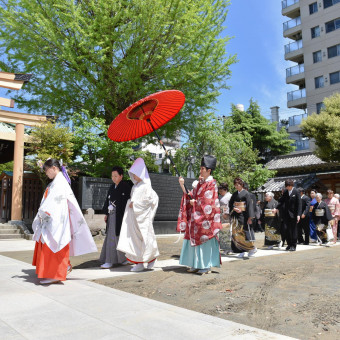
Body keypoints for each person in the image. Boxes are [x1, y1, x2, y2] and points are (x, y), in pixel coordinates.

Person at [32, 159, 97, 284]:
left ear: (54, 168)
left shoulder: (60, 182)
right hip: (53, 219)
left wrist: (44, 211)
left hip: (56, 220)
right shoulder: (57, 182)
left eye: (46, 170)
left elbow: (56, 203)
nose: (46, 173)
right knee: (53, 245)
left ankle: (55, 274)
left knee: (54, 245)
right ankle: (62, 268)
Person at [177, 155, 222, 275]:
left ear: (209, 170)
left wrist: (195, 203)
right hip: (197, 217)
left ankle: (206, 265)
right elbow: (190, 195)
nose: (200, 170)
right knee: (194, 241)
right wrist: (182, 184)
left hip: (207, 220)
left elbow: (209, 202)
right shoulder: (201, 183)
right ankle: (196, 264)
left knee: (204, 242)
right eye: (201, 168)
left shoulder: (211, 184)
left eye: (203, 168)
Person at [117, 158, 159, 272]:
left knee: (145, 237)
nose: (133, 176)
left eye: (135, 174)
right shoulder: (135, 187)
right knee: (135, 239)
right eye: (132, 174)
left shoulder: (146, 186)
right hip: (134, 217)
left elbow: (150, 201)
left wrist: (135, 204)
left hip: (143, 218)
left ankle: (151, 258)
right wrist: (131, 203)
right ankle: (139, 262)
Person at [99, 166, 132, 268]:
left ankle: (123, 259)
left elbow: (128, 201)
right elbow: (107, 201)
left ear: (121, 176)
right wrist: (106, 213)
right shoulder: (112, 187)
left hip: (122, 215)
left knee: (120, 237)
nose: (113, 178)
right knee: (112, 237)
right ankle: (109, 260)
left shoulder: (126, 187)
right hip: (112, 215)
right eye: (112, 176)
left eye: (116, 176)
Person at [229, 177, 256, 258]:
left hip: (243, 215)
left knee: (244, 233)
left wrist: (250, 217)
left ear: (241, 185)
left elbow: (249, 205)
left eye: (238, 185)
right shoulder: (234, 194)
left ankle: (251, 248)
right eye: (235, 185)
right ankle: (241, 250)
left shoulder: (246, 193)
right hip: (236, 216)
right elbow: (230, 204)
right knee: (237, 233)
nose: (237, 187)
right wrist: (234, 208)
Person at [276, 179, 301, 252]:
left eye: (288, 186)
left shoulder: (296, 192)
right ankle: (289, 244)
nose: (287, 188)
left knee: (293, 230)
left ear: (291, 186)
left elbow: (299, 204)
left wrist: (299, 214)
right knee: (286, 229)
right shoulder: (286, 192)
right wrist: (276, 208)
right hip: (286, 214)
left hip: (294, 214)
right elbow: (281, 201)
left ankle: (293, 245)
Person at [218, 183, 232, 254]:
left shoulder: (230, 196)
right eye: (219, 191)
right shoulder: (220, 196)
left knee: (227, 231)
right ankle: (224, 247)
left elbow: (231, 205)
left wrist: (227, 213)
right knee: (222, 231)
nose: (220, 192)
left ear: (225, 190)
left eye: (221, 191)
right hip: (221, 215)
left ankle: (228, 248)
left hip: (226, 215)